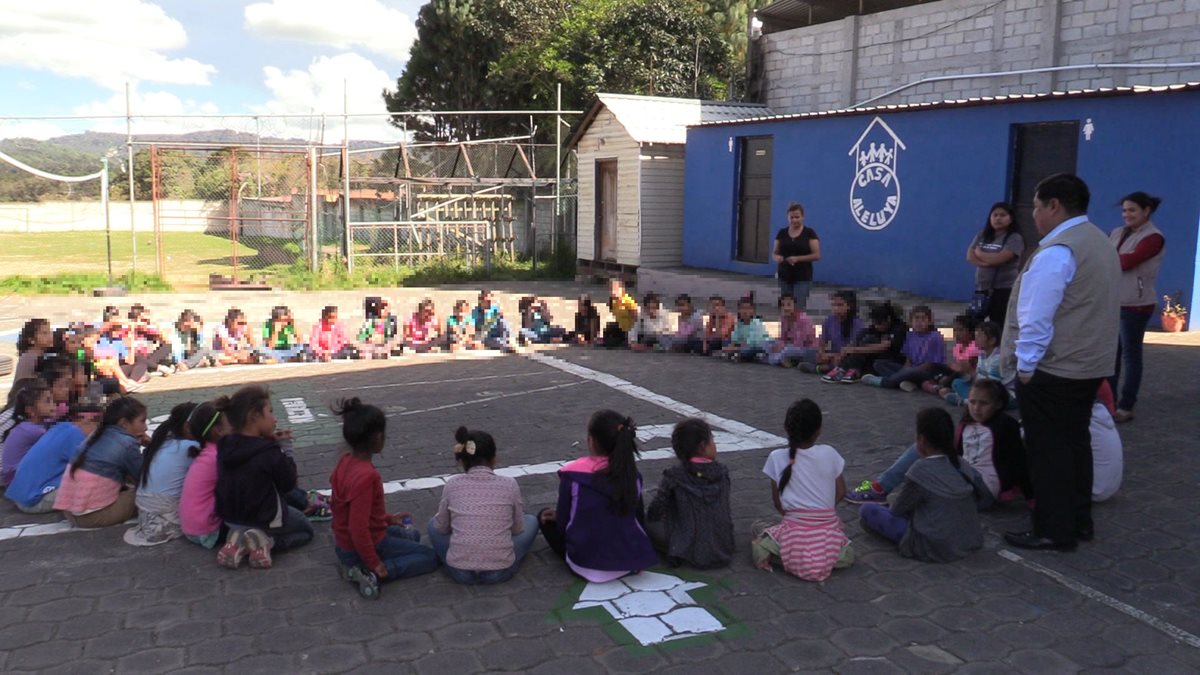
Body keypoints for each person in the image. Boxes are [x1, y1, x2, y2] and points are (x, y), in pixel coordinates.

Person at [1001, 173, 1120, 552]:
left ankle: (1053, 528)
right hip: (1090, 364)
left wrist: (1025, 367)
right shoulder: (1100, 241)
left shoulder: (1058, 250)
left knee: (1048, 450)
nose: (1033, 215)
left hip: (1056, 367)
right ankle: (1078, 520)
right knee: (1075, 444)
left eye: (1036, 207)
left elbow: (1036, 317)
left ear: (1055, 206)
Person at [847, 379, 1021, 505]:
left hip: (983, 488)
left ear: (998, 405)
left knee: (927, 452)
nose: (976, 408)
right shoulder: (967, 423)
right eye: (972, 402)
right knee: (926, 449)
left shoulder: (1005, 426)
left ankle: (886, 489)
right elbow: (957, 453)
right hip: (964, 481)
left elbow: (1018, 460)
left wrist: (1027, 497)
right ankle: (883, 488)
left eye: (983, 404)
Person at [330, 398, 438, 596]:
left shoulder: (345, 462)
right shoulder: (367, 476)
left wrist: (388, 519)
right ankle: (374, 572)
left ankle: (358, 564)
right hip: (361, 545)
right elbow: (358, 527)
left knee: (412, 535)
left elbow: (351, 510)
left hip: (344, 544)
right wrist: (375, 563)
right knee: (429, 556)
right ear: (378, 437)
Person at [538, 410, 657, 581]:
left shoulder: (572, 475)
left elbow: (564, 523)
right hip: (629, 561)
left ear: (591, 441)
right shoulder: (632, 475)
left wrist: (559, 517)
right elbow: (637, 516)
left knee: (542, 518)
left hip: (585, 564)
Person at [858, 408, 987, 562]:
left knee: (867, 510)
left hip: (934, 545)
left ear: (921, 441)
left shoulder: (920, 470)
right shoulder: (961, 463)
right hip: (968, 538)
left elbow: (898, 510)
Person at [751, 399, 852, 581]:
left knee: (759, 532)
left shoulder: (776, 457)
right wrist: (822, 512)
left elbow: (778, 503)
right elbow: (841, 491)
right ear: (818, 430)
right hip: (828, 533)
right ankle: (821, 560)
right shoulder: (830, 453)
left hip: (793, 535)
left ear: (786, 428)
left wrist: (795, 517)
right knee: (848, 554)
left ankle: (786, 557)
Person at [215, 385, 314, 569]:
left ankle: (239, 539)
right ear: (254, 416)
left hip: (230, 517)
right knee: (306, 531)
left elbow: (249, 451)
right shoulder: (270, 452)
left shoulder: (224, 444)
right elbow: (289, 484)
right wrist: (286, 448)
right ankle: (265, 541)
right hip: (264, 518)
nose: (274, 419)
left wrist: (268, 441)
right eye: (270, 412)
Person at [428, 426, 538, 584]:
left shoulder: (452, 484)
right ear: (494, 458)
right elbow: (518, 529)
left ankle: (459, 556)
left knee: (433, 524)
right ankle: (495, 555)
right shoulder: (509, 484)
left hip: (460, 572)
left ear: (463, 460)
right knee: (531, 521)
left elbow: (442, 528)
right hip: (499, 571)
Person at [645, 418, 734, 569]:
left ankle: (675, 551)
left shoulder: (675, 475)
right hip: (722, 546)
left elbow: (655, 510)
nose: (714, 445)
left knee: (646, 521)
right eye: (712, 440)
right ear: (702, 446)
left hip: (688, 548)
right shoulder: (722, 472)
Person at [1108, 191, 1166, 423]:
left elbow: (1127, 261)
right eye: (1124, 210)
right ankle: (1108, 403)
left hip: (1136, 304)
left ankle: (1126, 405)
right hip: (1113, 301)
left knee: (1131, 356)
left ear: (1146, 211)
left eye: (1132, 210)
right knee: (1111, 356)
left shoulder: (1154, 237)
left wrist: (1107, 259)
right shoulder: (1116, 232)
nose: (1127, 214)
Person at [54, 396, 148, 528]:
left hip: (70, 512)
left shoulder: (97, 434)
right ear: (124, 423)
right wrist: (151, 447)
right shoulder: (127, 443)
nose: (145, 427)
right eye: (142, 421)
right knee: (154, 495)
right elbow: (144, 477)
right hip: (93, 517)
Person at [125, 402, 199, 546]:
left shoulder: (165, 442)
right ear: (188, 427)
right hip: (166, 518)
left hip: (146, 514)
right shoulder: (191, 447)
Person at [6, 403, 100, 514]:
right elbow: (91, 468)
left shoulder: (62, 427)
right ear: (87, 420)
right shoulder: (74, 434)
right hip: (34, 501)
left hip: (22, 496)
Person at [180, 398, 233, 549]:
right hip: (207, 531)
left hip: (191, 528)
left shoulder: (208, 451)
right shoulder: (218, 456)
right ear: (219, 431)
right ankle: (238, 542)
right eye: (230, 422)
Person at [966, 202, 1025, 327]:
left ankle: (996, 347)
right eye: (995, 215)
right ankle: (971, 347)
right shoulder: (983, 235)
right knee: (970, 323)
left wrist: (980, 253)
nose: (998, 218)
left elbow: (1000, 258)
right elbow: (970, 256)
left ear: (1011, 218)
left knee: (997, 325)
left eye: (1003, 215)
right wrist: (987, 262)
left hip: (1002, 290)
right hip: (981, 289)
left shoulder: (1014, 238)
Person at [862, 305, 946, 390]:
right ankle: (906, 382)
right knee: (879, 364)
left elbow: (931, 364)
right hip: (911, 369)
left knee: (910, 372)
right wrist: (905, 370)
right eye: (916, 319)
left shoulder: (935, 337)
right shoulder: (911, 335)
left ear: (930, 321)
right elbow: (908, 359)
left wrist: (908, 371)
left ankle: (885, 382)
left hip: (927, 372)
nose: (919, 322)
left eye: (923, 319)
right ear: (910, 322)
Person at [822, 302, 906, 384]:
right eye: (875, 323)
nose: (877, 326)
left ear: (888, 319)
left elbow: (884, 346)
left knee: (870, 340)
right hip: (871, 358)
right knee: (865, 337)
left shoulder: (898, 328)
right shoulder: (874, 328)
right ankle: (848, 369)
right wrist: (846, 350)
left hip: (890, 358)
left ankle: (846, 369)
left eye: (879, 323)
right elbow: (860, 338)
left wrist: (855, 350)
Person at [0, 382, 54, 486]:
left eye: (52, 400)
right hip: (16, 479)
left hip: (13, 475)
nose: (52, 405)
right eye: (47, 401)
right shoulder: (33, 431)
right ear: (31, 410)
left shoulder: (31, 423)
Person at [772, 202, 821, 309]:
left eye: (797, 217)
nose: (794, 220)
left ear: (802, 217)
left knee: (798, 307)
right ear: (787, 218)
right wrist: (778, 258)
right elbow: (775, 252)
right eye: (791, 217)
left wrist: (798, 259)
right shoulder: (782, 233)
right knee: (786, 307)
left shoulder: (809, 233)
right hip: (785, 276)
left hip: (802, 277)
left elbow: (817, 255)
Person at [808, 290, 862, 375]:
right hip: (832, 354)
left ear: (849, 306)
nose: (836, 308)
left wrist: (834, 355)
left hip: (847, 355)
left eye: (840, 305)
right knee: (809, 353)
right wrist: (821, 353)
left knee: (848, 360)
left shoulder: (856, 323)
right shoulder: (829, 320)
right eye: (834, 305)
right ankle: (827, 368)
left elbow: (852, 347)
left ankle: (825, 369)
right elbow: (823, 341)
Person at [765, 293, 819, 367]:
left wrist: (782, 347)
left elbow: (799, 343)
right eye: (783, 305)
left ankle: (771, 359)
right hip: (788, 346)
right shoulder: (784, 318)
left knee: (788, 350)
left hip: (804, 348)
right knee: (768, 342)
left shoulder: (804, 320)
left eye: (789, 305)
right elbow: (782, 337)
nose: (786, 308)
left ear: (795, 306)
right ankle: (780, 359)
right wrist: (779, 344)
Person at [721, 296, 768, 362]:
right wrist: (730, 346)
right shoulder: (739, 323)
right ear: (739, 310)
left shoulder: (756, 323)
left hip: (758, 347)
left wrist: (734, 348)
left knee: (747, 350)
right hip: (742, 345)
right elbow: (734, 338)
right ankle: (736, 355)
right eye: (742, 309)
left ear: (753, 311)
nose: (745, 311)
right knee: (725, 341)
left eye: (748, 309)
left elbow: (752, 343)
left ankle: (739, 355)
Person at [602, 279, 638, 349]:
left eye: (615, 289)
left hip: (629, 329)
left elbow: (636, 319)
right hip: (620, 326)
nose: (613, 292)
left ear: (622, 289)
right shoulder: (613, 301)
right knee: (609, 327)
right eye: (611, 289)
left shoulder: (628, 301)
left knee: (613, 343)